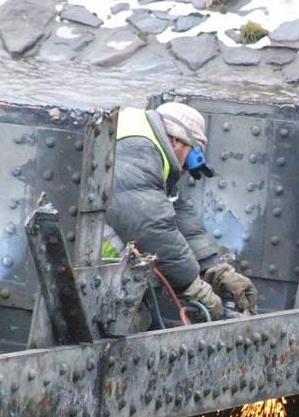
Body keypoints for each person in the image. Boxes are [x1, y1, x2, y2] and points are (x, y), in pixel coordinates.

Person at [104, 102, 258, 320]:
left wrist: (217, 270)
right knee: (136, 316)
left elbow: (178, 216)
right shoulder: (138, 149)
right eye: (193, 157)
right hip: (91, 263)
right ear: (176, 139)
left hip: (99, 263)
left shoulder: (150, 149)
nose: (186, 170)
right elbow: (149, 226)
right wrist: (194, 286)